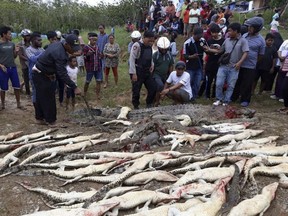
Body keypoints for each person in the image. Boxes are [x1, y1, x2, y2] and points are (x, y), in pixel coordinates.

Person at [32, 34, 81, 126]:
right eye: (72, 48)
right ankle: (51, 121)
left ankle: (40, 118)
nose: (73, 50)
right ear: (66, 44)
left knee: (41, 96)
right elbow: (62, 73)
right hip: (41, 74)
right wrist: (74, 87)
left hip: (42, 73)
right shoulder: (59, 53)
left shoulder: (59, 45)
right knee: (48, 98)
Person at [206, 22, 249, 106]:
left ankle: (226, 100)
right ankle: (219, 99)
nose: (228, 32)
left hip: (234, 67)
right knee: (219, 83)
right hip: (223, 65)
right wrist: (209, 49)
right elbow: (220, 51)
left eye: (230, 31)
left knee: (231, 85)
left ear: (236, 31)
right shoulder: (227, 40)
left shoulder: (243, 41)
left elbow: (246, 52)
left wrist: (240, 63)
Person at [231, 17, 265, 107]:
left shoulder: (261, 40)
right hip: (239, 63)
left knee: (247, 83)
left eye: (251, 27)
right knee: (237, 81)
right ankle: (234, 97)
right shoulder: (244, 35)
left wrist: (254, 61)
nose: (249, 28)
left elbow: (261, 55)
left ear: (257, 28)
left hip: (250, 65)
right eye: (248, 27)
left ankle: (245, 99)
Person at [129, 31, 156, 109]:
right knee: (136, 90)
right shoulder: (137, 45)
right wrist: (133, 73)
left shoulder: (150, 46)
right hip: (137, 70)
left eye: (152, 41)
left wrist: (152, 65)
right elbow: (132, 59)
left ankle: (149, 103)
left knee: (153, 88)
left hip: (147, 71)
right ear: (144, 38)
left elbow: (150, 57)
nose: (151, 42)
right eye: (149, 40)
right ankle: (136, 105)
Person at [0, 26, 23, 110]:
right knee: (3, 88)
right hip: (3, 69)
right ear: (4, 34)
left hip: (12, 68)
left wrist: (16, 52)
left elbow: (14, 57)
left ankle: (18, 103)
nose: (10, 35)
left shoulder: (12, 44)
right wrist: (1, 65)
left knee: (16, 86)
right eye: (9, 34)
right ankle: (2, 104)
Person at [26, 32, 45, 117]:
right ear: (33, 41)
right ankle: (37, 113)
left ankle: (42, 111)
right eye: (39, 40)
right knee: (35, 92)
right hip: (33, 74)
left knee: (42, 93)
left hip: (42, 74)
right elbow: (33, 59)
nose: (41, 42)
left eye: (41, 40)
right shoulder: (28, 50)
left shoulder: (41, 49)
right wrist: (44, 54)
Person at [183, 27, 205, 100]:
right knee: (189, 82)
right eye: (197, 37)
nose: (199, 38)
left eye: (200, 36)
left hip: (199, 66)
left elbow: (206, 50)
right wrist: (192, 56)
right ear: (193, 35)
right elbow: (184, 56)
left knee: (197, 83)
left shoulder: (203, 41)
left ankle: (193, 97)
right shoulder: (187, 43)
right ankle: (187, 96)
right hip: (190, 67)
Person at [204, 23, 225, 99]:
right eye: (212, 32)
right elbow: (207, 52)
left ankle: (214, 94)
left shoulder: (223, 40)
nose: (214, 34)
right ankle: (207, 95)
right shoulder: (209, 40)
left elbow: (222, 51)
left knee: (217, 81)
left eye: (215, 32)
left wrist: (210, 50)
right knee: (209, 80)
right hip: (210, 62)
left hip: (218, 63)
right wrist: (207, 50)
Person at [153, 36, 174, 107]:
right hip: (157, 74)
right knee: (160, 85)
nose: (164, 51)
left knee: (169, 86)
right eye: (162, 49)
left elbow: (171, 65)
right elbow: (152, 66)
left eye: (165, 49)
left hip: (165, 75)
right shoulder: (155, 55)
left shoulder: (169, 55)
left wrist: (170, 76)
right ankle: (157, 101)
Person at [83, 32, 102, 100]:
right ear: (90, 39)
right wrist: (88, 54)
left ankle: (98, 94)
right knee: (87, 81)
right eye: (93, 40)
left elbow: (99, 55)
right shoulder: (86, 47)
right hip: (90, 68)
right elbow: (84, 57)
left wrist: (101, 55)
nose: (94, 41)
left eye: (95, 40)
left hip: (98, 67)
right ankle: (84, 93)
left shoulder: (97, 47)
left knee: (98, 81)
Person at [18, 29, 32, 96]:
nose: (28, 37)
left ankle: (21, 86)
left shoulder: (31, 43)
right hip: (25, 64)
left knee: (31, 77)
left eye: (29, 35)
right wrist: (28, 59)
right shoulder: (20, 44)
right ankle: (28, 93)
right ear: (23, 36)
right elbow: (20, 55)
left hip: (31, 64)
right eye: (27, 36)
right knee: (26, 79)